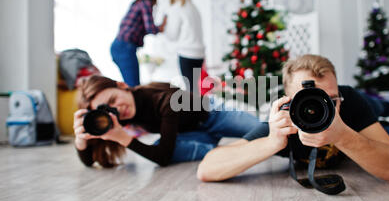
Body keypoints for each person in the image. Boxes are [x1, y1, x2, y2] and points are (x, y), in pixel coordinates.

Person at [197, 54, 389, 183]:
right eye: (308, 101)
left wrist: (343, 135)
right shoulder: (285, 122)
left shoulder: (348, 102)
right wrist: (272, 142)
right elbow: (207, 169)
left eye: (330, 98)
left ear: (338, 95)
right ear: (288, 102)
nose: (319, 107)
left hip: (356, 121)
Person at [73, 75, 260, 168]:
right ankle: (224, 151)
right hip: (192, 133)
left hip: (214, 113)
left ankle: (227, 151)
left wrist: (124, 139)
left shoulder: (162, 99)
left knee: (263, 132)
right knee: (161, 147)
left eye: (113, 99)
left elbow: (162, 158)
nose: (117, 109)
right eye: (106, 108)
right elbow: (89, 161)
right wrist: (81, 140)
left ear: (122, 86)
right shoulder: (116, 118)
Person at [111, 0, 167, 87]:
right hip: (125, 47)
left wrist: (159, 28)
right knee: (134, 87)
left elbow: (141, 29)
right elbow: (150, 28)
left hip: (118, 46)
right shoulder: (146, 3)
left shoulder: (137, 3)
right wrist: (161, 27)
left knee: (130, 86)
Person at [164, 0, 205, 94]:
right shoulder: (193, 7)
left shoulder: (176, 8)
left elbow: (172, 35)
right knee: (194, 87)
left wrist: (165, 26)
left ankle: (194, 111)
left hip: (187, 53)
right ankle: (197, 109)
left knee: (190, 89)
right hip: (199, 53)